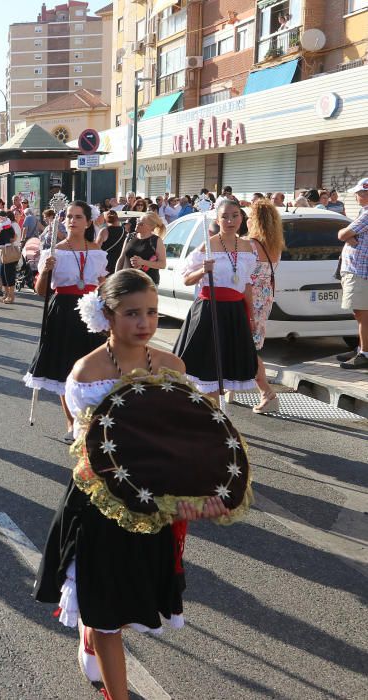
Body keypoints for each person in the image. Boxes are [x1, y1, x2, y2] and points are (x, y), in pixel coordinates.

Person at [33, 269, 229, 700]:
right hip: (103, 504)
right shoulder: (86, 374)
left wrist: (205, 492)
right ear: (107, 315)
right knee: (106, 608)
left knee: (129, 600)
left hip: (154, 504)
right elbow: (95, 453)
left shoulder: (173, 365)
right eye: (132, 313)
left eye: (152, 313)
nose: (144, 323)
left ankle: (92, 635)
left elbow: (189, 437)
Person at [25, 201, 108, 443]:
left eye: (78, 216)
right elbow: (41, 290)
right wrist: (46, 271)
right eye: (69, 216)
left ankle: (90, 421)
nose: (72, 220)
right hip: (63, 310)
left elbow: (103, 285)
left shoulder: (97, 252)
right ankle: (71, 423)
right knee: (66, 369)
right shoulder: (54, 251)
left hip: (92, 311)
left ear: (88, 221)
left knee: (93, 368)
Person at [173, 199, 258, 397]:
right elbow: (186, 279)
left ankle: (217, 416)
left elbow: (246, 285)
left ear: (241, 217)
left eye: (235, 215)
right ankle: (210, 415)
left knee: (228, 368)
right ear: (218, 220)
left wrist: (251, 317)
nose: (230, 220)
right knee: (208, 368)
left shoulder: (247, 247)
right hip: (210, 310)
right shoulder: (207, 245)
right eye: (225, 217)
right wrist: (203, 270)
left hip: (235, 312)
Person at [245, 199, 284, 412]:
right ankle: (232, 385)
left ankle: (267, 393)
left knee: (247, 349)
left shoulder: (249, 245)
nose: (247, 220)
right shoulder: (274, 246)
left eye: (250, 217)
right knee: (247, 345)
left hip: (248, 301)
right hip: (264, 300)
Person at [336, 177, 368, 369]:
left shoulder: (366, 214)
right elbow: (347, 235)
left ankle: (364, 353)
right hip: (357, 271)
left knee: (362, 313)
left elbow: (341, 234)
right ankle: (361, 348)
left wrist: (348, 236)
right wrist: (350, 237)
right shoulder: (363, 213)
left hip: (360, 271)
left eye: (359, 192)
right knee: (360, 313)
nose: (356, 195)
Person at [116, 211, 167, 285]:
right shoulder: (130, 237)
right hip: (127, 281)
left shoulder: (156, 240)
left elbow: (162, 264)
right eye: (138, 221)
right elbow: (121, 258)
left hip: (147, 284)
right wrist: (116, 277)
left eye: (141, 223)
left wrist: (143, 262)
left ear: (151, 227)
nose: (137, 224)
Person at [0, 213, 20, 304]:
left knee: (9, 274)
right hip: (3, 252)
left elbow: (15, 238)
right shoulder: (2, 226)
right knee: (3, 274)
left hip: (10, 252)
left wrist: (7, 238)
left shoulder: (12, 226)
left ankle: (11, 296)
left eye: (1, 217)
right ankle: (6, 294)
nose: (0, 219)